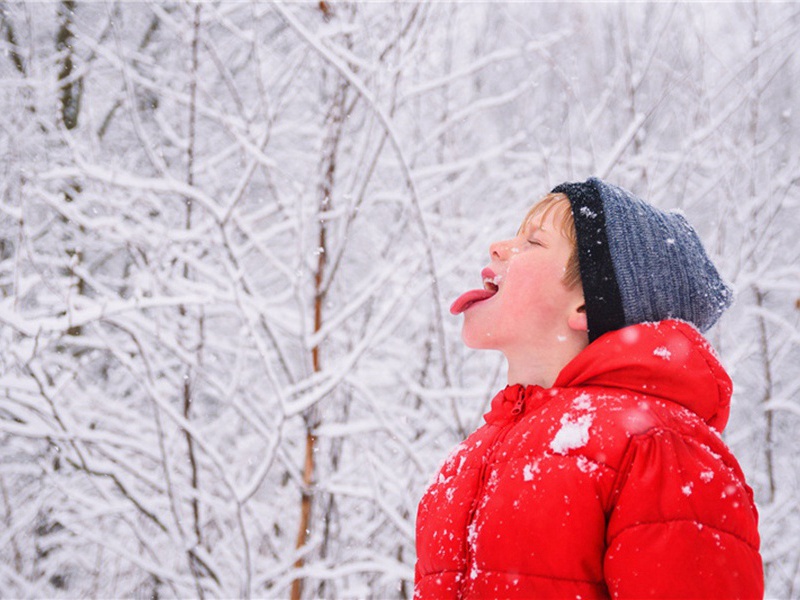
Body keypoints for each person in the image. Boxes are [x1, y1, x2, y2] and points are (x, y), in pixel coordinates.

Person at [414, 177, 763, 598]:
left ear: (584, 304)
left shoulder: (657, 447)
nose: (498, 247)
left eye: (533, 242)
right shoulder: (465, 464)